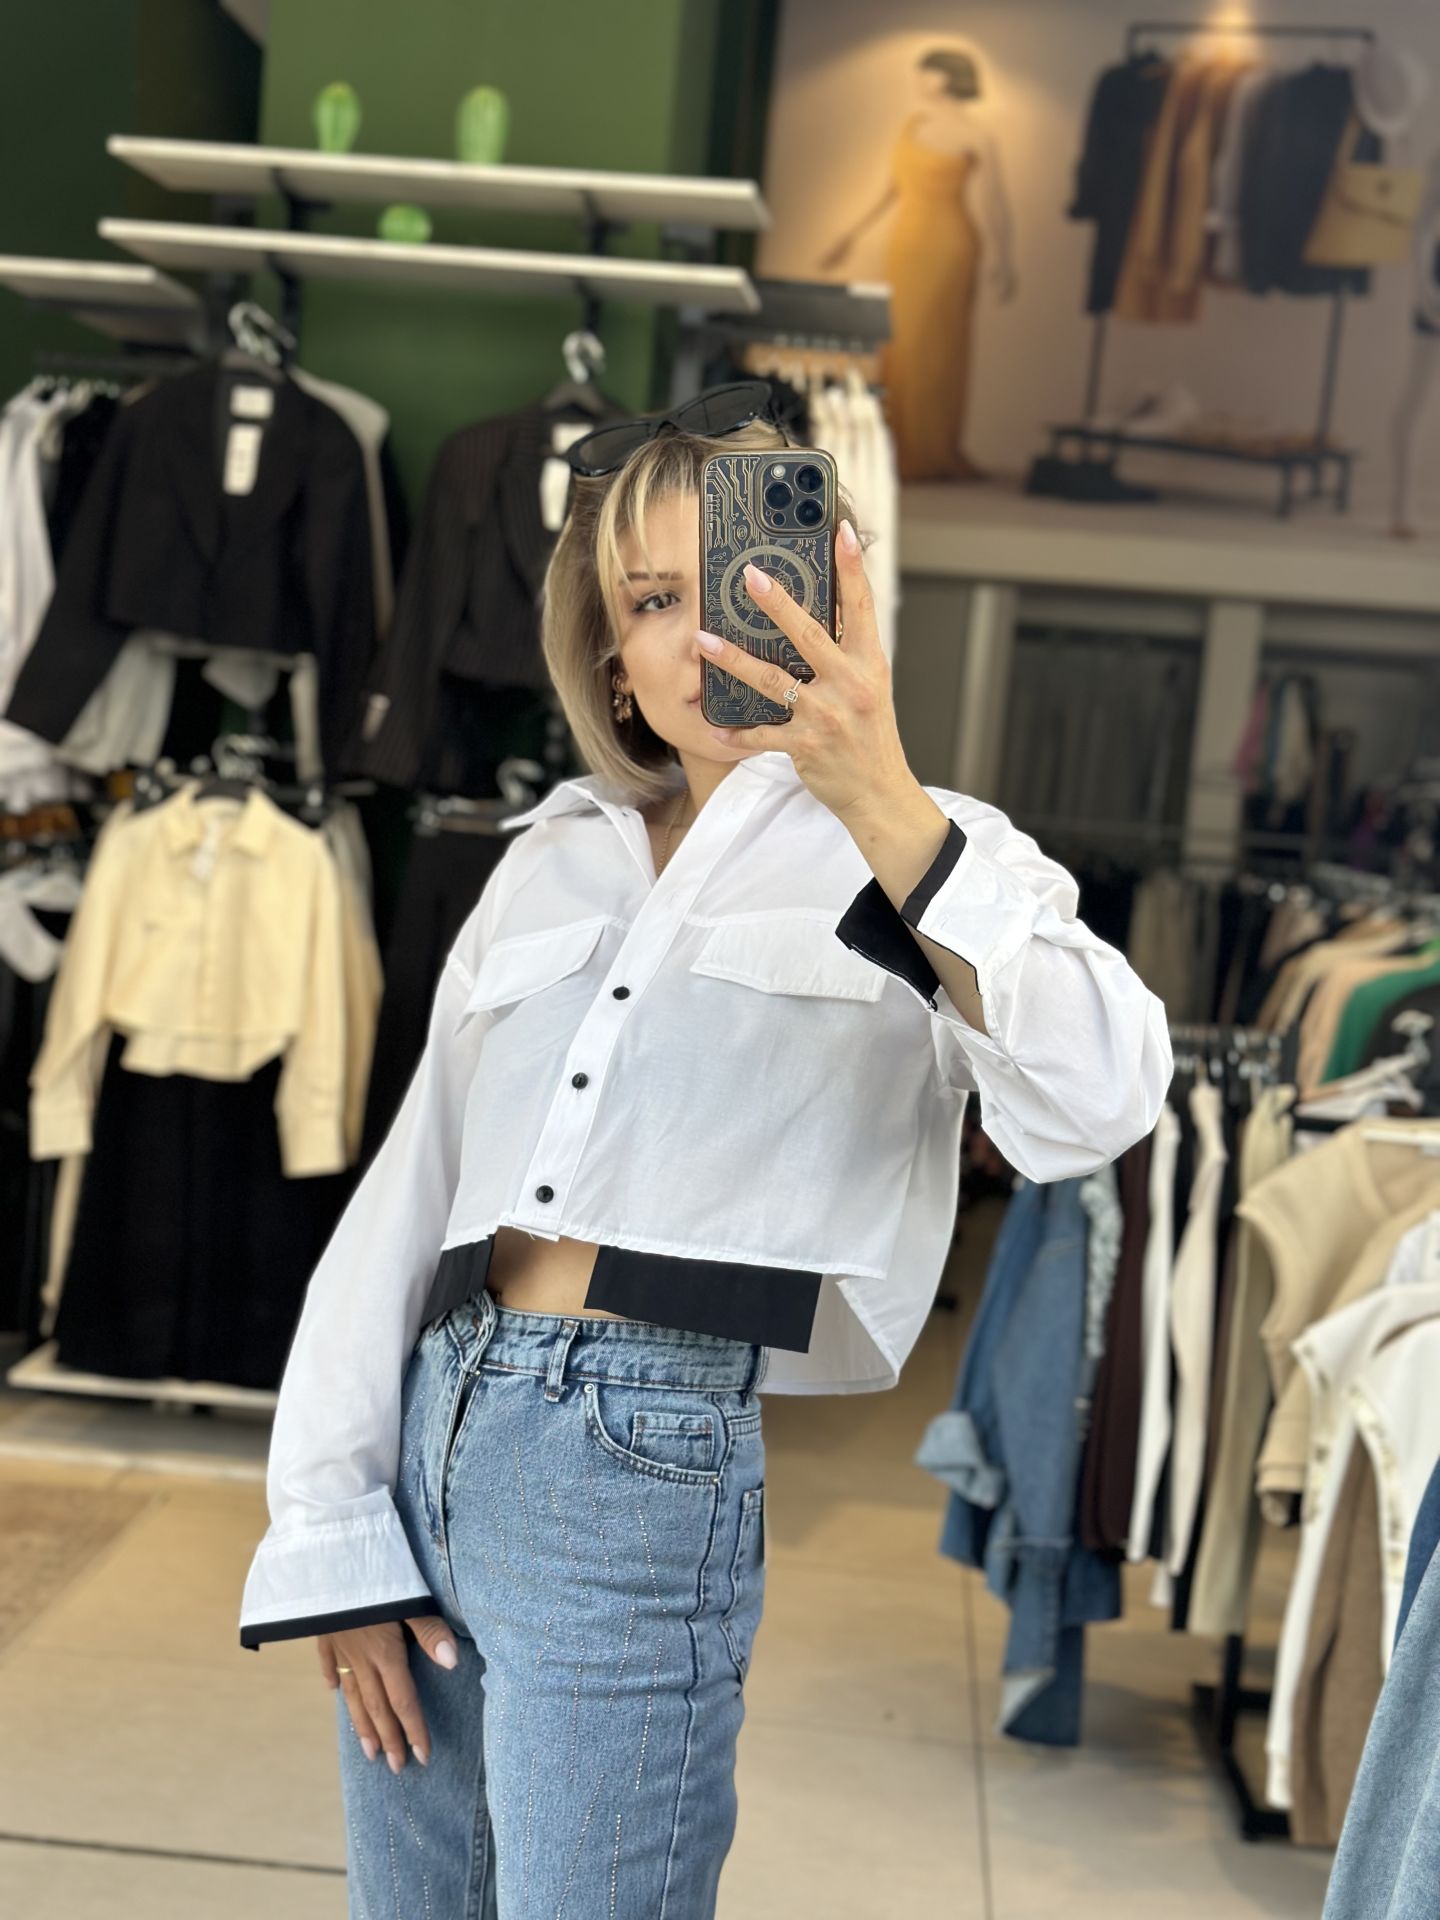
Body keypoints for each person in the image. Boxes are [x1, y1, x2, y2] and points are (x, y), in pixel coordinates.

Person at [238, 381, 1170, 1916]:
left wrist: (879, 795)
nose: (698, 636)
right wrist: (331, 1523)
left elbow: (1102, 1100)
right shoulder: (550, 854)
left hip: (640, 1455)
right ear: (611, 654)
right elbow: (409, 1198)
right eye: (652, 601)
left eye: (739, 582)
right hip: (434, 1423)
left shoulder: (937, 848)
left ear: (831, 588)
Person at [818, 47, 1017, 480]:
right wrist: (848, 235)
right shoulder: (912, 126)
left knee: (937, 347)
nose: (920, 81)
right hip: (907, 245)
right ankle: (897, 445)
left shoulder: (976, 135)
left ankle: (933, 449)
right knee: (901, 343)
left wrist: (1005, 258)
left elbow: (995, 203)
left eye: (926, 73)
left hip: (950, 246)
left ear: (945, 78)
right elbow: (888, 189)